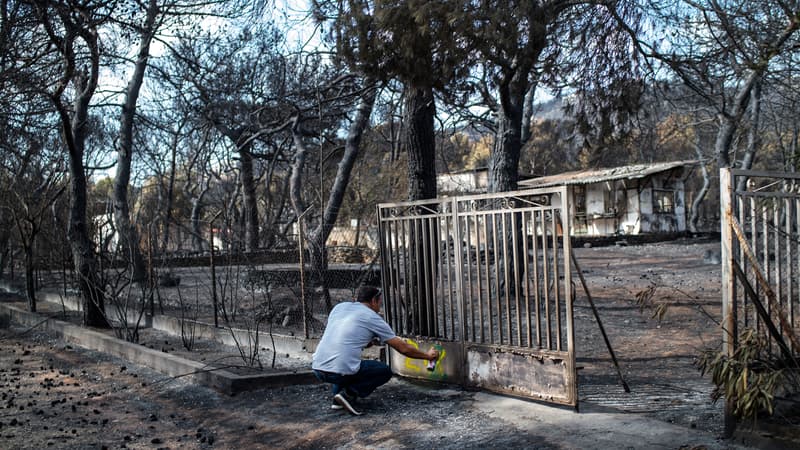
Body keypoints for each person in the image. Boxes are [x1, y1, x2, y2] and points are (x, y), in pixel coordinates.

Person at [311, 285, 439, 415]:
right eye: (380, 303)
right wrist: (428, 356)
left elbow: (344, 337)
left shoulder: (339, 308)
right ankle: (348, 395)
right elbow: (404, 348)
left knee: (344, 363)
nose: (379, 307)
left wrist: (366, 341)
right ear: (374, 301)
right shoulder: (372, 317)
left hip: (318, 368)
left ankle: (338, 399)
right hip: (339, 370)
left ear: (357, 299)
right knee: (383, 371)